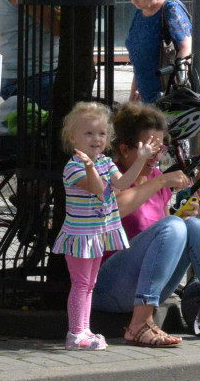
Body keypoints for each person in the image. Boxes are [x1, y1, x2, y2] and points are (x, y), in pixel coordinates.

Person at [93, 102, 200, 345]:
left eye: (160, 149)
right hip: (106, 287)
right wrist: (162, 182)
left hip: (147, 288)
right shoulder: (112, 173)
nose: (156, 157)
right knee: (174, 226)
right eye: (150, 150)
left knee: (193, 227)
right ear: (124, 149)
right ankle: (140, 324)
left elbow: (165, 233)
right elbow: (116, 207)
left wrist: (185, 217)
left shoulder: (155, 178)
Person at [52, 102, 155, 350]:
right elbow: (97, 189)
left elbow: (123, 184)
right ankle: (75, 333)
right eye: (88, 133)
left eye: (101, 133)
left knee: (89, 284)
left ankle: (83, 330)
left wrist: (140, 159)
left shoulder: (106, 163)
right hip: (80, 236)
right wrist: (89, 166)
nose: (96, 139)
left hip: (97, 234)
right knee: (80, 284)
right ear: (72, 137)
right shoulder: (74, 166)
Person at [120, 0, 193, 103]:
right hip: (144, 95)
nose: (134, 1)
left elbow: (186, 46)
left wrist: (178, 83)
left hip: (167, 96)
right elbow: (141, 56)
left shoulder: (171, 9)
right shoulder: (140, 12)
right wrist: (135, 89)